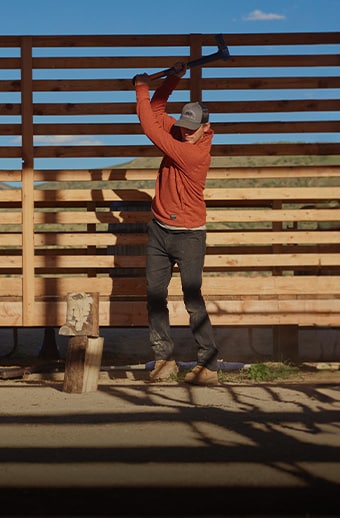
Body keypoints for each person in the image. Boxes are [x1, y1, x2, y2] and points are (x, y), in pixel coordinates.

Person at [134, 62, 219, 385]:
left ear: (206, 128)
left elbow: (149, 127)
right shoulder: (183, 133)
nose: (185, 130)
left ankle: (208, 364)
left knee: (192, 299)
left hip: (189, 236)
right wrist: (173, 78)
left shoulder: (194, 155)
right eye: (183, 125)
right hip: (159, 229)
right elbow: (157, 113)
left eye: (192, 127)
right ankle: (164, 359)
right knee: (155, 295)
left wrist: (141, 87)